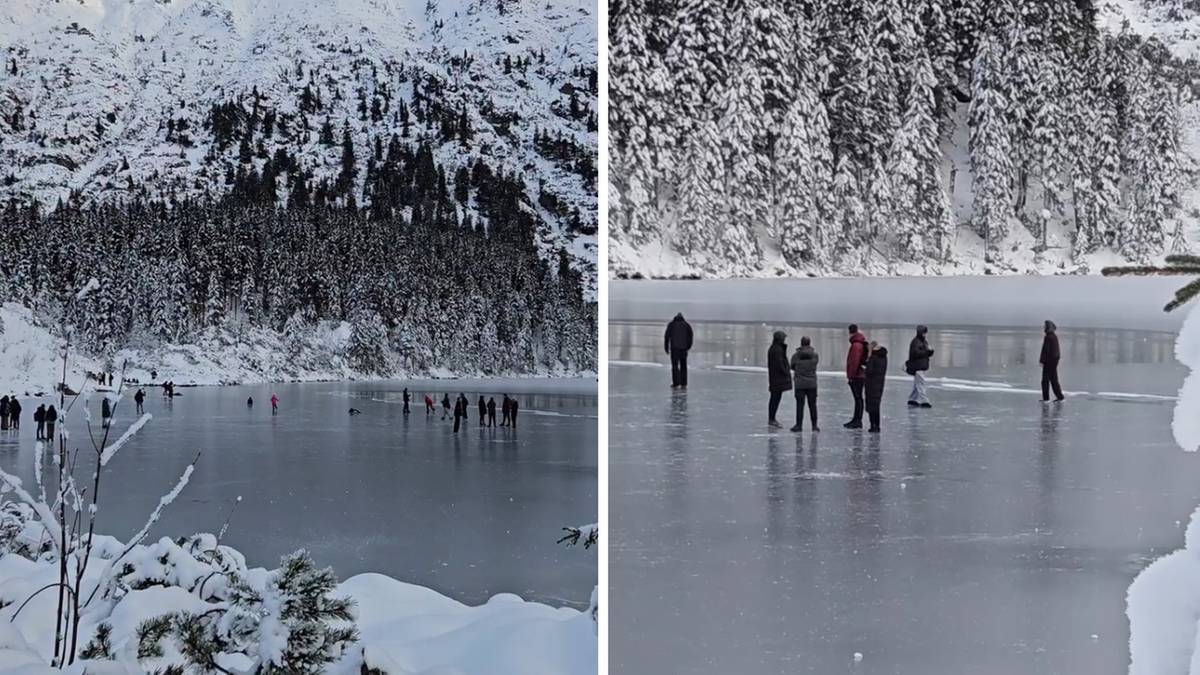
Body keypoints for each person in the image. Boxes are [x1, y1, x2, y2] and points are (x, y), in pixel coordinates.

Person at [790, 336, 819, 432]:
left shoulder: (796, 356)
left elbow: (792, 366)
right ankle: (814, 426)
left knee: (799, 405)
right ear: (809, 343)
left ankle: (799, 425)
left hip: (800, 384)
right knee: (813, 405)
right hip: (812, 384)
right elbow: (815, 365)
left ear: (801, 343)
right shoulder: (815, 355)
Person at [844, 324, 869, 429]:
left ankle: (857, 420)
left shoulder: (856, 345)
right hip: (860, 374)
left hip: (857, 376)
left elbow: (854, 361)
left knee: (858, 398)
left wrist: (851, 376)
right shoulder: (859, 343)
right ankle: (856, 419)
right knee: (858, 398)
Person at [905, 325, 935, 409]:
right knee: (920, 384)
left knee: (917, 384)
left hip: (921, 366)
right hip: (917, 366)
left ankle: (912, 398)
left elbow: (925, 352)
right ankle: (924, 400)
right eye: (924, 332)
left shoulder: (924, 342)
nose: (925, 334)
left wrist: (930, 352)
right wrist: (927, 352)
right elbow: (915, 353)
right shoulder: (916, 342)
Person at [766, 330, 791, 428]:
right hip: (777, 379)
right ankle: (772, 419)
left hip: (775, 378)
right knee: (775, 398)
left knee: (775, 398)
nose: (784, 340)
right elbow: (779, 364)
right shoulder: (777, 350)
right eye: (783, 338)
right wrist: (786, 372)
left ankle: (772, 418)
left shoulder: (775, 348)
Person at [664, 313, 694, 389]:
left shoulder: (671, 325)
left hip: (674, 349)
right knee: (683, 366)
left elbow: (667, 337)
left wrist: (666, 348)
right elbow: (690, 337)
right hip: (683, 349)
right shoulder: (687, 325)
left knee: (675, 366)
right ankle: (684, 383)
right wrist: (688, 346)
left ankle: (676, 382)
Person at [864, 341, 889, 433]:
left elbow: (869, 371)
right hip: (880, 383)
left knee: (872, 406)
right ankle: (877, 425)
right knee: (876, 404)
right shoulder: (884, 357)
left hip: (871, 384)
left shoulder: (873, 357)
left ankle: (873, 425)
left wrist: (869, 359)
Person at [1040, 319, 1064, 402]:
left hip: (1049, 362)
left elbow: (1046, 350)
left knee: (1045, 381)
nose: (1043, 327)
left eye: (1045, 326)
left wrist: (1042, 361)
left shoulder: (1049, 337)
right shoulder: (1053, 336)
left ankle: (1046, 398)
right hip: (1053, 361)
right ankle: (1060, 396)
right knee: (1053, 380)